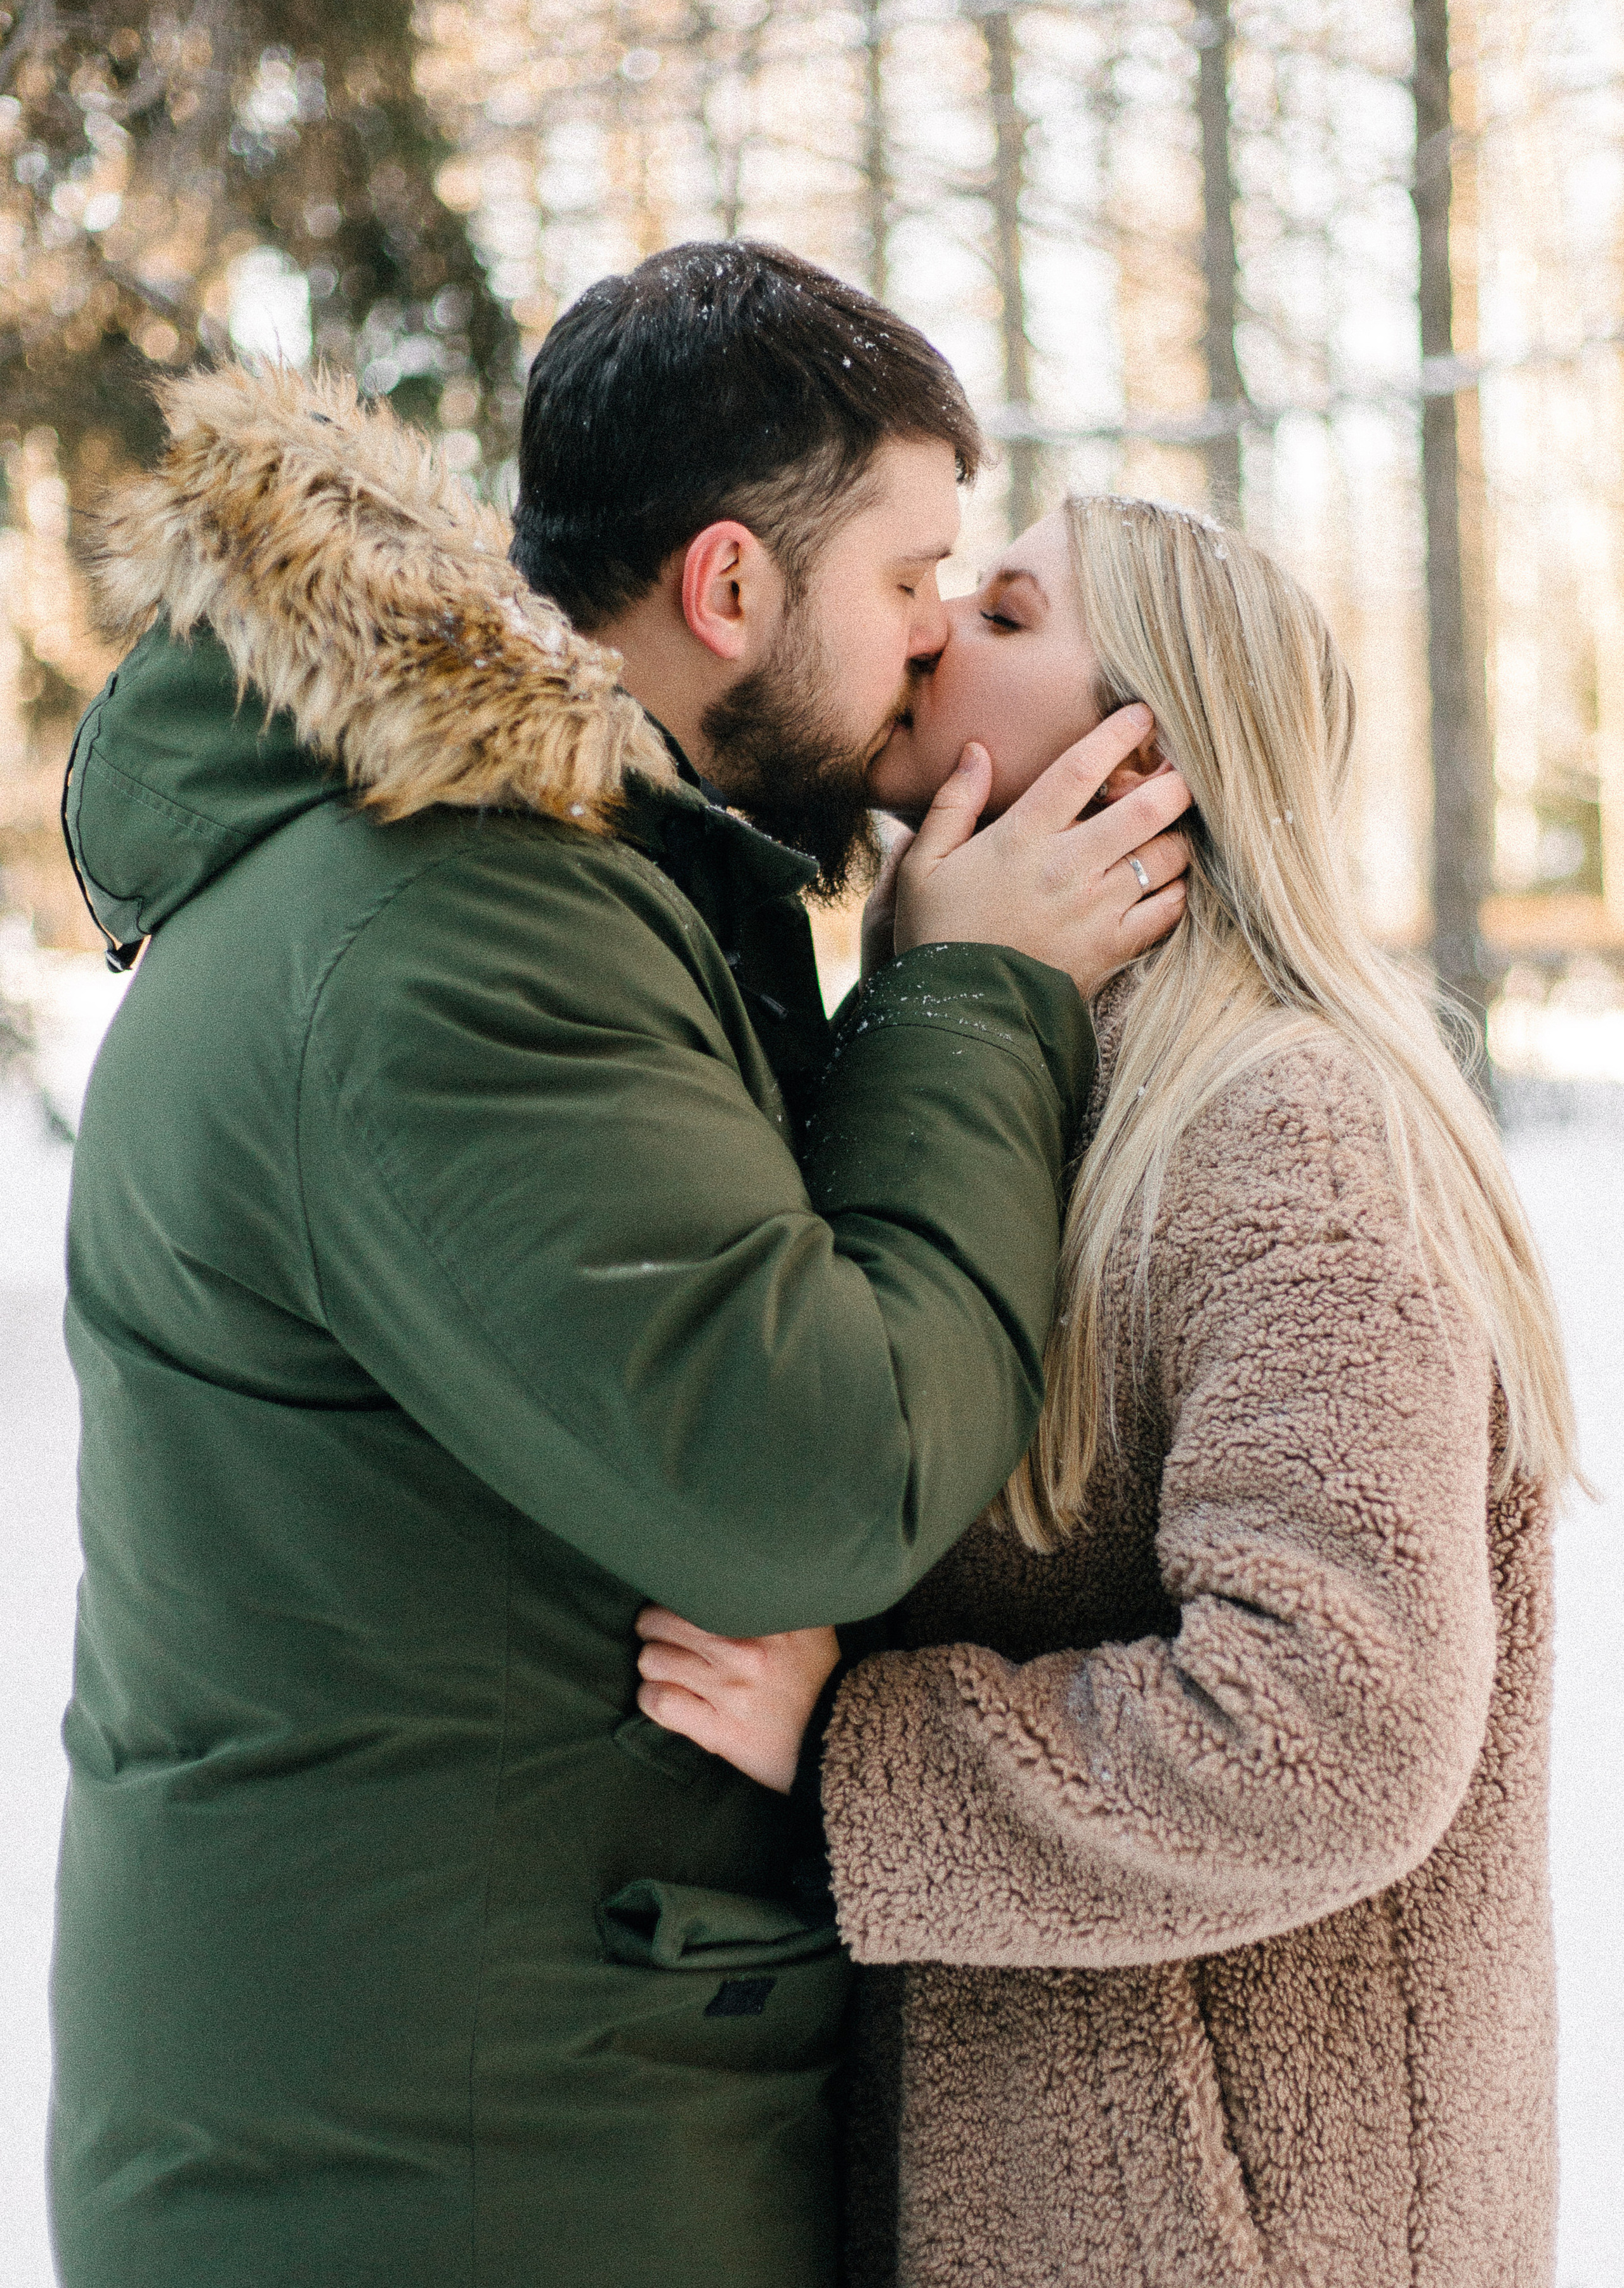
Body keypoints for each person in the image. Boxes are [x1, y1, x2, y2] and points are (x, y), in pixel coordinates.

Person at [48, 244, 1191, 2288]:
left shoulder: (560, 879)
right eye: (911, 579)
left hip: (475, 2099)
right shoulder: (454, 932)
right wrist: (976, 1000)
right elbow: (814, 1479)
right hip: (453, 2166)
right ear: (732, 588)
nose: (936, 644)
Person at [636, 494, 1578, 2288]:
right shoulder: (1042, 1093)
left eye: (998, 612)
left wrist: (858, 1751)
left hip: (1252, 2236)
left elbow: (1339, 1729)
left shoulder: (1280, 1128)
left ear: (1143, 755)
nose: (927, 630)